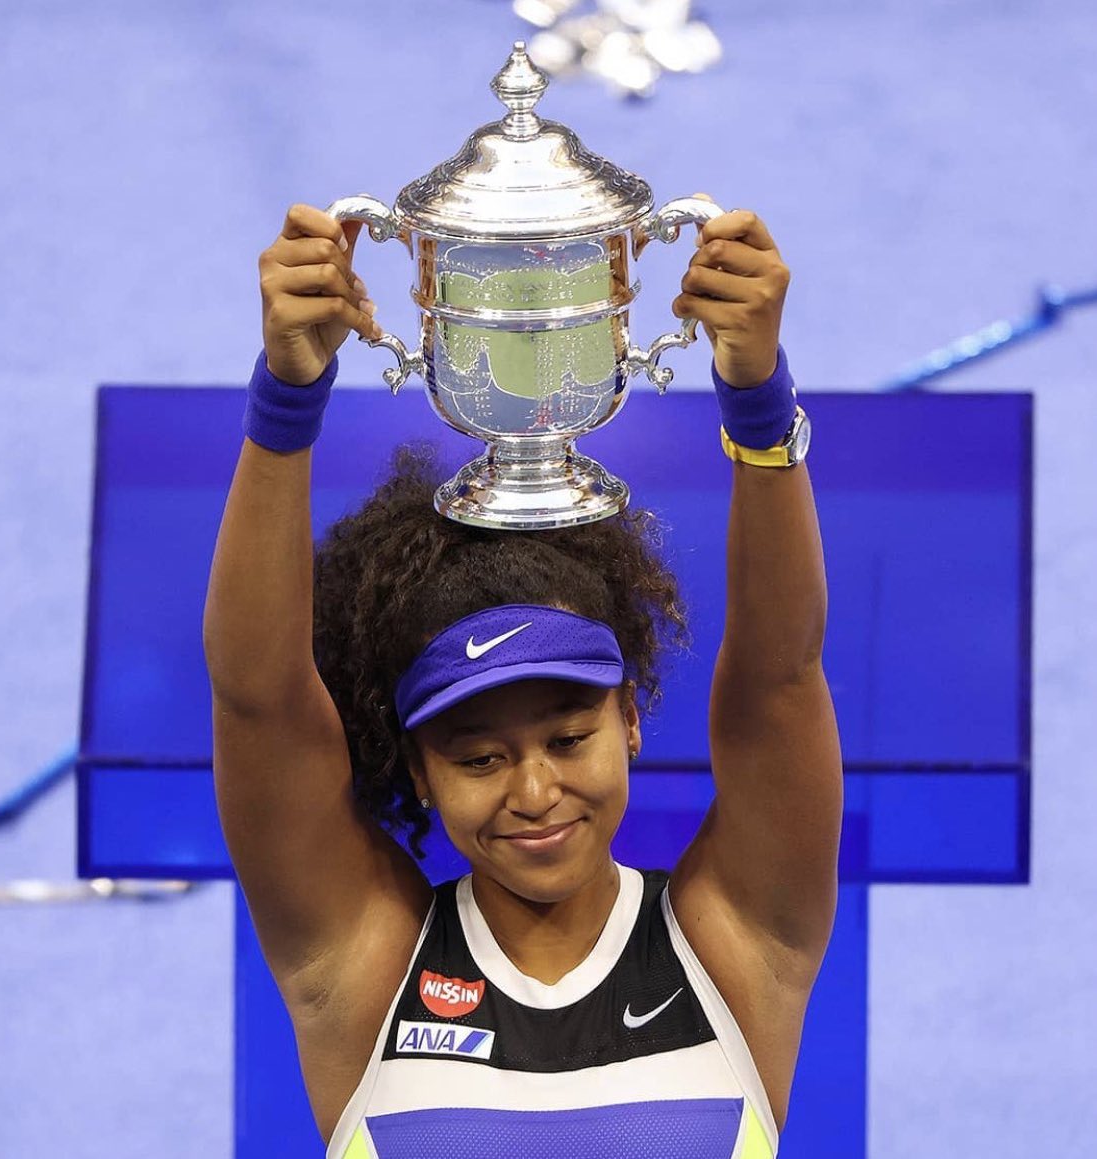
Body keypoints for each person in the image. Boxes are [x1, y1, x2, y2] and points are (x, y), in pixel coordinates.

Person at [204, 203, 842, 1158]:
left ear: (629, 718)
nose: (535, 791)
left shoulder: (732, 943)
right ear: (419, 771)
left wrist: (756, 397)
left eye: (567, 735)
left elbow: (778, 677)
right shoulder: (367, 966)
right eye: (479, 756)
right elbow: (259, 695)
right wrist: (287, 396)